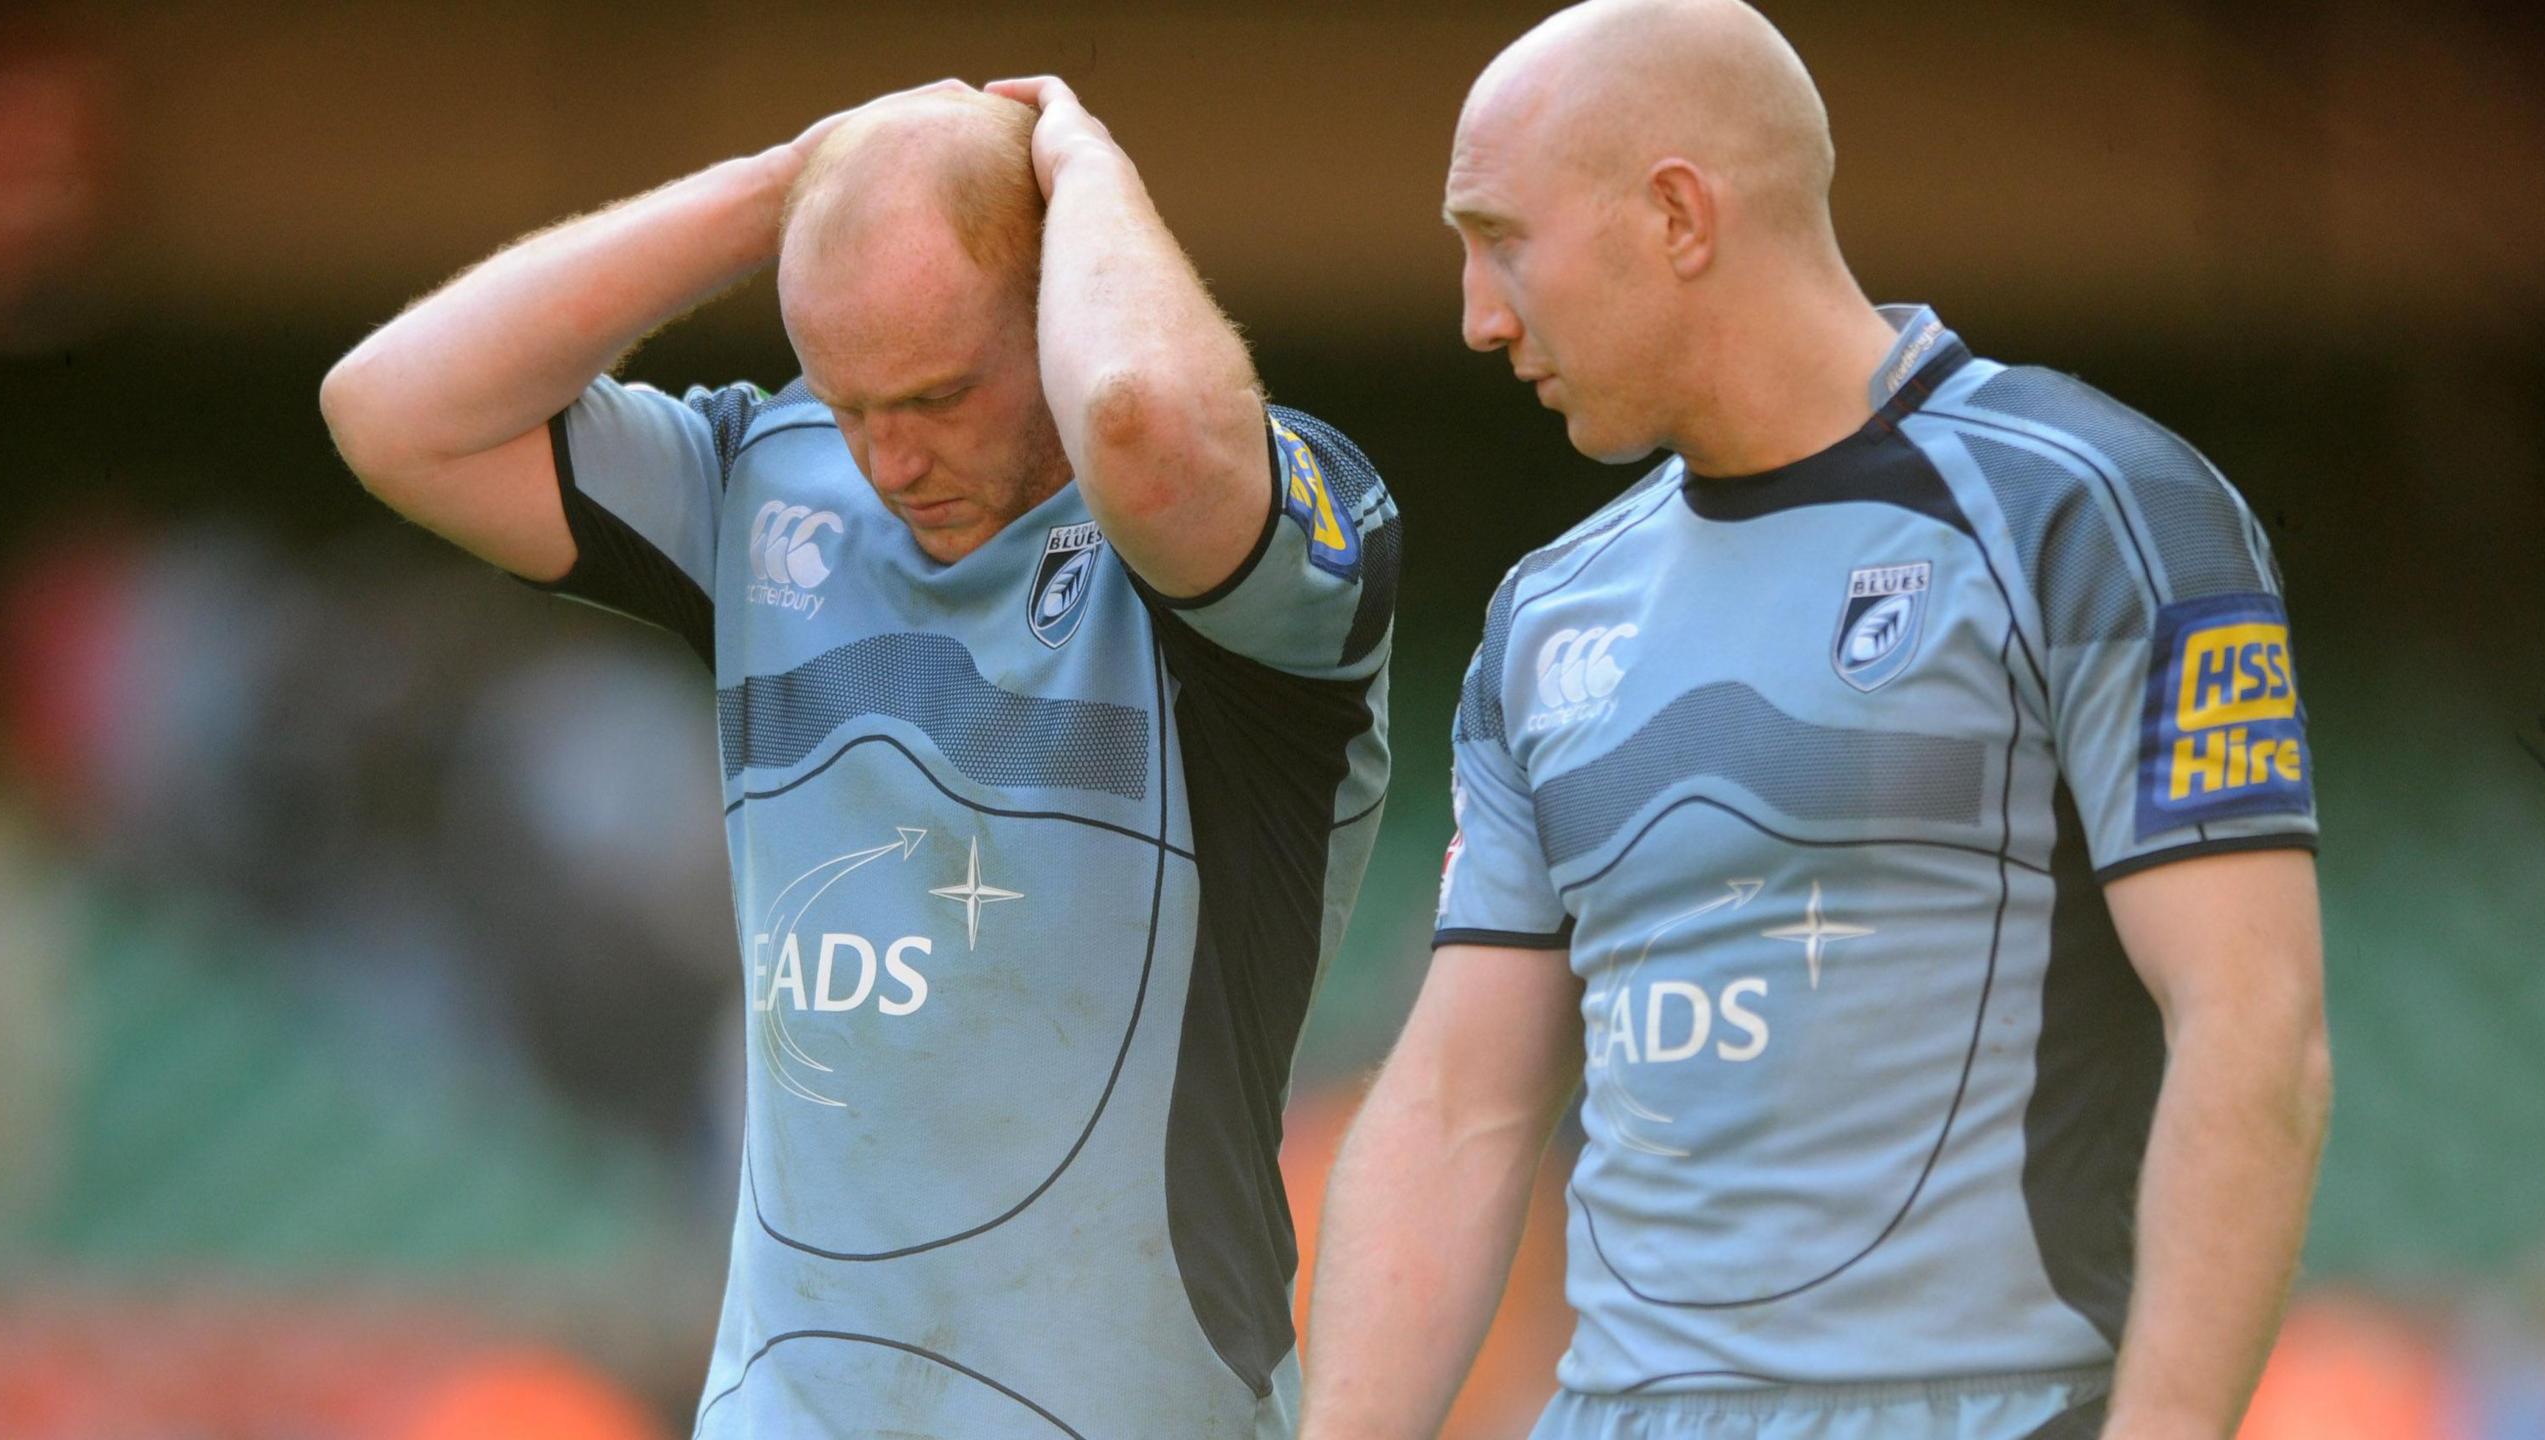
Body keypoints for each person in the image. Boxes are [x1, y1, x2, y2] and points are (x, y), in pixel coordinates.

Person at [1300, 2, 2328, 1438]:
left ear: (1676, 214)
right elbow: (1458, 1106)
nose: (1477, 313)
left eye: (1502, 238)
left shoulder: (2090, 511)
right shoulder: (1551, 611)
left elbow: (2254, 1030)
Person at [321, 76, 1400, 1439]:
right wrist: (790, 186)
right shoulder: (768, 482)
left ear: (1051, 304)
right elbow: (391, 409)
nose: (891, 457)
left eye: (939, 394)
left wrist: (1080, 168)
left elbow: (1141, 422)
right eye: (847, 400)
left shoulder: (1260, 535)